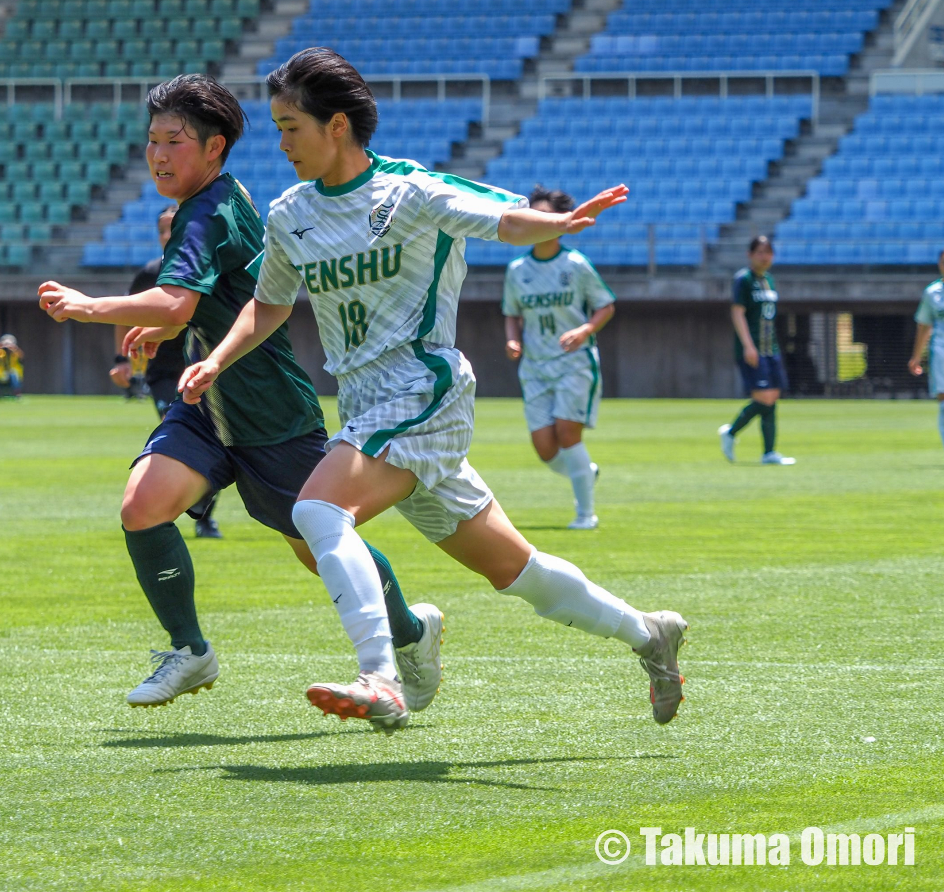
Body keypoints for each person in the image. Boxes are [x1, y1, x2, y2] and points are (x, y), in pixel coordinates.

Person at [179, 48, 689, 732]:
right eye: (275, 126)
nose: (280, 143)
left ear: (337, 126)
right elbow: (270, 304)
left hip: (424, 389)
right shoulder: (289, 213)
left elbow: (504, 219)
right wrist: (218, 357)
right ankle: (650, 634)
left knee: (318, 511)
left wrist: (559, 226)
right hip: (368, 407)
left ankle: (380, 675)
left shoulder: (412, 192)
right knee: (519, 571)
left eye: (290, 126)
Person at [37, 73, 442, 712]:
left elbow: (178, 301)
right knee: (142, 506)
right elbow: (203, 304)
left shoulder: (211, 210)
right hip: (207, 404)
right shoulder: (217, 201)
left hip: (269, 411)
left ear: (215, 147)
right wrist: (167, 324)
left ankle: (413, 633)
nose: (159, 155)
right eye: (151, 141)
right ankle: (190, 651)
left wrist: (88, 306)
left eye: (174, 141)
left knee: (321, 549)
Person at [503, 187, 615, 529]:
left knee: (568, 434)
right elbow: (511, 313)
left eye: (546, 216)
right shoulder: (517, 269)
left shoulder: (576, 264)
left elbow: (605, 305)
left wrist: (584, 330)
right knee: (546, 450)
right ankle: (586, 472)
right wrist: (512, 339)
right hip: (535, 366)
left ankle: (586, 515)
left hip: (573, 362)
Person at [110, 205, 224, 538]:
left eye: (172, 228)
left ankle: (203, 515)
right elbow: (124, 315)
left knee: (216, 442)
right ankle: (167, 508)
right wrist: (122, 361)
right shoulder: (148, 274)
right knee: (179, 436)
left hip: (204, 373)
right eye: (161, 230)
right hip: (163, 375)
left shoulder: (209, 270)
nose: (166, 235)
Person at [719, 236, 794, 465]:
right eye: (760, 252)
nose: (765, 257)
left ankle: (769, 452)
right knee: (763, 397)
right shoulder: (744, 279)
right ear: (750, 254)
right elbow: (738, 312)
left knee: (772, 397)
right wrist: (748, 346)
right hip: (753, 349)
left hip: (771, 348)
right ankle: (731, 432)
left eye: (768, 252)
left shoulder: (770, 280)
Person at [908, 245, 944, 468]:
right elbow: (924, 325)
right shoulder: (932, 292)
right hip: (942, 350)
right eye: (943, 263)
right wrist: (916, 356)